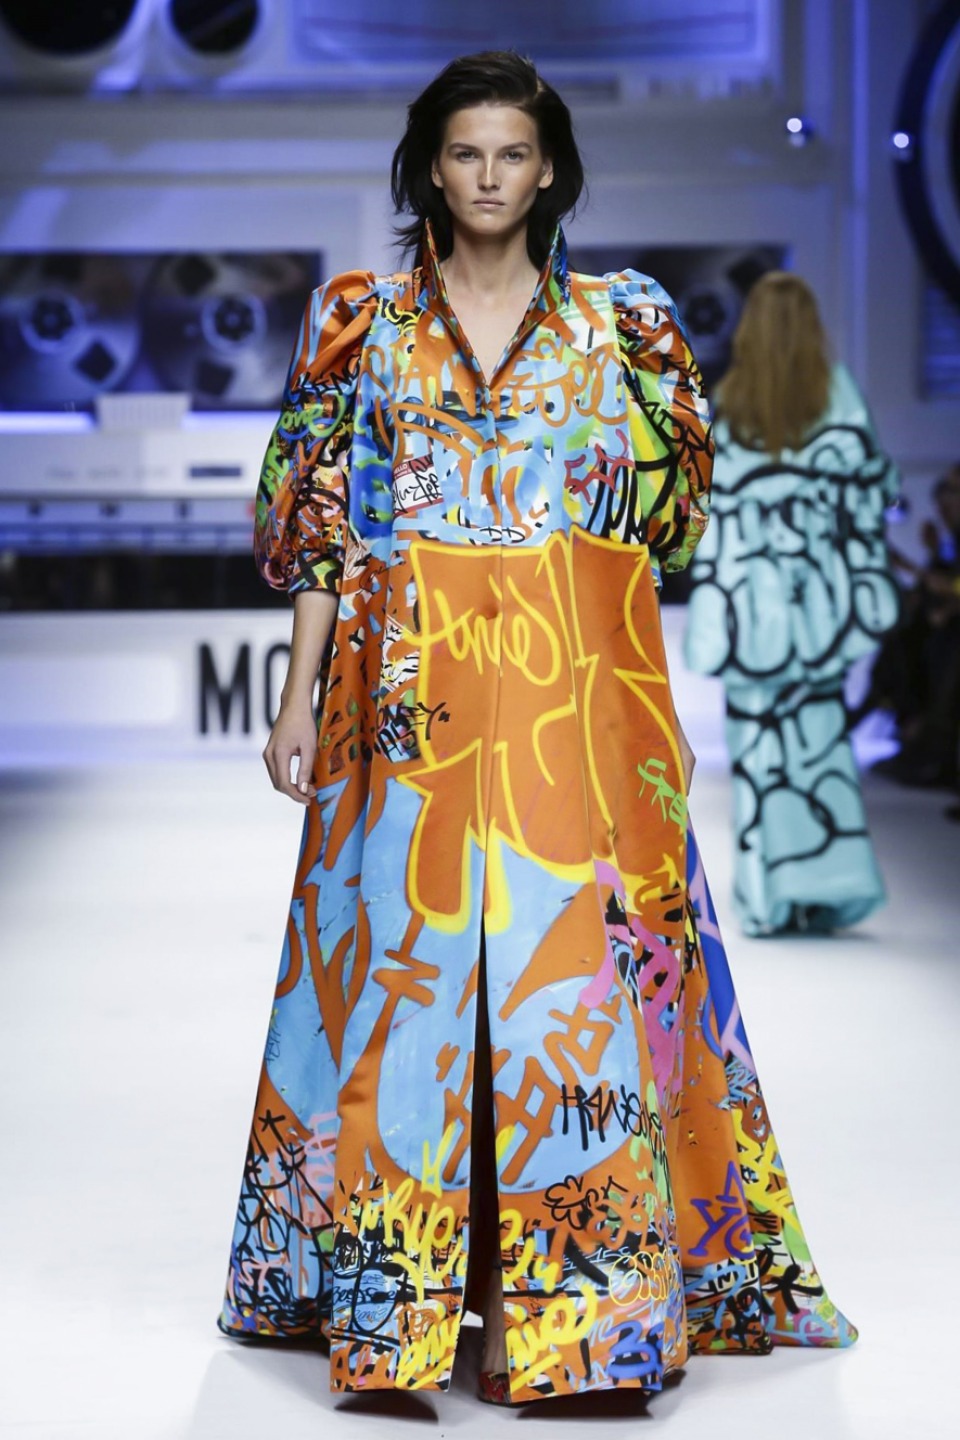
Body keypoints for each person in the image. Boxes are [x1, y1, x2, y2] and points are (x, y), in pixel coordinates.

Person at [217, 54, 855, 1406]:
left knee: (566, 995)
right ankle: (398, 1312)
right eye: (466, 154)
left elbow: (669, 531)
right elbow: (321, 529)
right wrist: (294, 698)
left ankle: (574, 1319)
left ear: (549, 167)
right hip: (405, 710)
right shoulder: (361, 322)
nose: (490, 177)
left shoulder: (626, 327)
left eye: (514, 153)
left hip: (572, 704)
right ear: (430, 169)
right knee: (406, 995)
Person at [684, 272, 900, 937]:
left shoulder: (730, 403)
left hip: (749, 608)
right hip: (817, 606)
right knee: (818, 745)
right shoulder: (837, 396)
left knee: (759, 753)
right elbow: (875, 490)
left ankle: (768, 895)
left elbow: (709, 511)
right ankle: (827, 889)